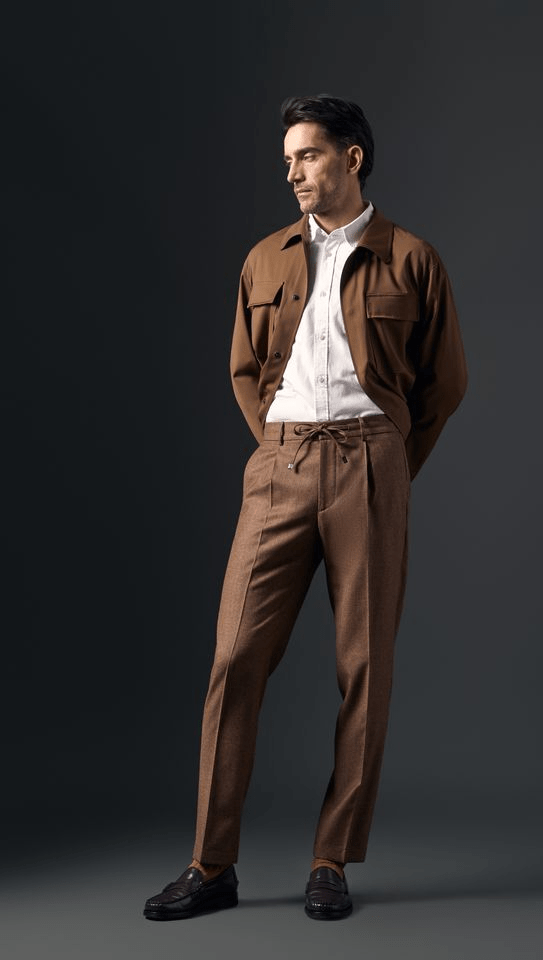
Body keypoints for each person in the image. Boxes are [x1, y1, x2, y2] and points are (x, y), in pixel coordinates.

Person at [143, 94, 467, 923]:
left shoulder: (412, 258)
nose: (291, 172)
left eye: (308, 155)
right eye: (287, 159)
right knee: (234, 658)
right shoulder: (264, 259)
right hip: (280, 466)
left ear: (352, 158)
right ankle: (211, 864)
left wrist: (388, 463)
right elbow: (245, 370)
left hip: (370, 464)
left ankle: (332, 860)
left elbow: (446, 383)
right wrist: (279, 448)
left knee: (365, 668)